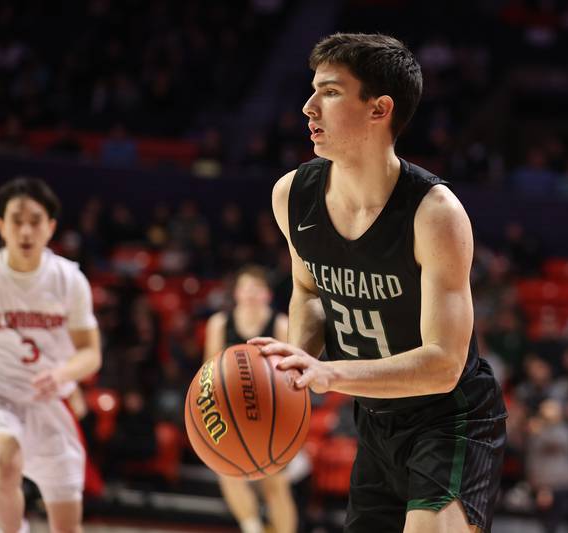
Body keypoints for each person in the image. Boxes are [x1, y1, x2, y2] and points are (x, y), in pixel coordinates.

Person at [249, 33, 507, 533]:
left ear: (379, 108)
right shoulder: (292, 195)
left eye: (330, 91)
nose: (308, 107)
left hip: (450, 419)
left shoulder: (435, 214)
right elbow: (308, 292)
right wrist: (293, 369)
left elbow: (444, 365)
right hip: (375, 419)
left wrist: (330, 375)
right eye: (312, 90)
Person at [0, 177, 101, 533]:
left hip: (51, 402)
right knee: (4, 461)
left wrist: (63, 375)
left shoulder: (69, 279)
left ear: (50, 227)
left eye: (35, 220)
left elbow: (90, 354)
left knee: (66, 526)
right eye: (16, 220)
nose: (25, 230)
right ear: (1, 226)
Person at [204, 266, 297, 533]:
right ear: (236, 293)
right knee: (227, 472)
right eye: (246, 288)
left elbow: (290, 377)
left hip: (272, 414)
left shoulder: (280, 324)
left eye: (257, 289)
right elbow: (209, 373)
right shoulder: (219, 323)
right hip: (232, 412)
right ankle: (252, 527)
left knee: (275, 483)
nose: (251, 294)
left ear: (267, 295)